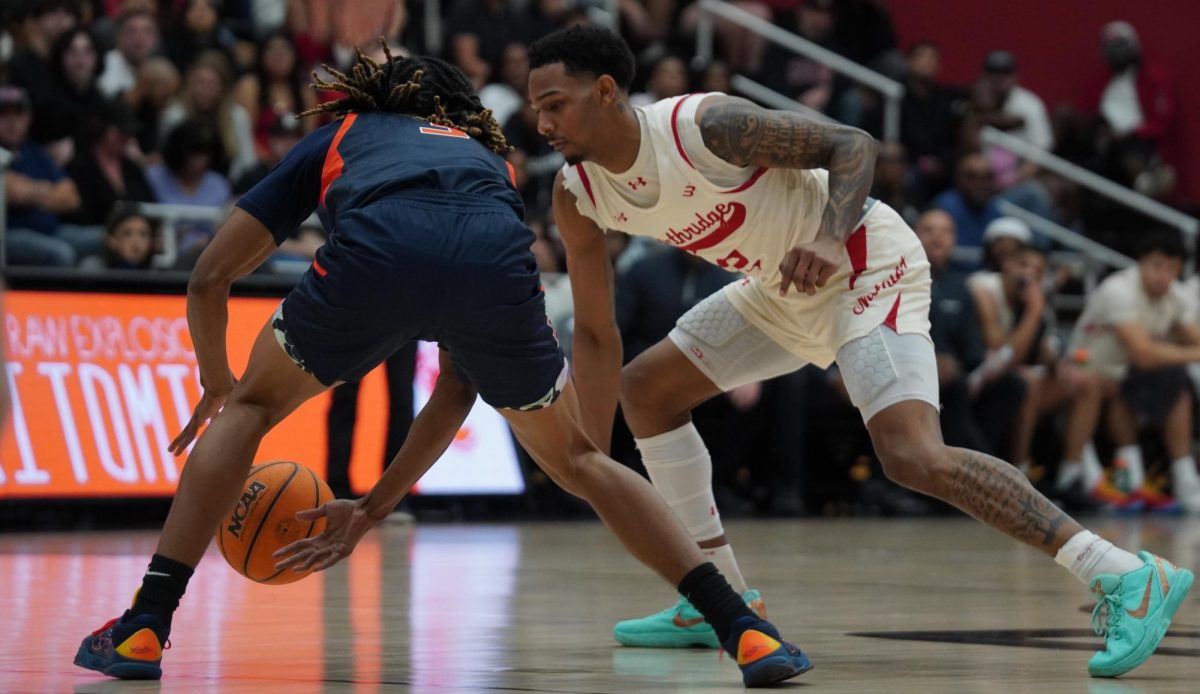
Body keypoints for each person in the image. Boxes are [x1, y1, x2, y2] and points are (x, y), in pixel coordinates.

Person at [72, 48, 810, 687]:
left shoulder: (346, 132)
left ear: (369, 97)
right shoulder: (487, 156)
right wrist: (371, 509)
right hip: (496, 255)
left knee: (252, 413)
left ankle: (145, 624)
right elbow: (459, 384)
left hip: (376, 248)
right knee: (582, 459)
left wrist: (219, 383)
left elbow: (208, 278)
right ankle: (743, 627)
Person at [526, 24, 1192, 676]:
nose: (543, 124)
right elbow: (593, 332)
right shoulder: (576, 194)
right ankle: (719, 600)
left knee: (910, 455)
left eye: (555, 105)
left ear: (607, 91)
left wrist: (824, 235)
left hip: (866, 263)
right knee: (647, 392)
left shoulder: (703, 127)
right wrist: (586, 449)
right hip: (781, 287)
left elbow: (853, 144)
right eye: (535, 109)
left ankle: (1127, 574)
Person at [1070, 231, 1200, 513]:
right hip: (1084, 369)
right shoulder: (1118, 289)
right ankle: (1091, 478)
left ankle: (1182, 478)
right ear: (1141, 263)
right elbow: (1143, 352)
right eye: (1157, 265)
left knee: (1179, 381)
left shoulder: (1175, 295)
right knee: (1136, 379)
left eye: (1172, 268)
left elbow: (1194, 338)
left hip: (1126, 375)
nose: (1163, 275)